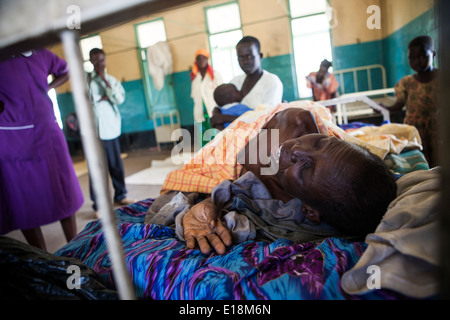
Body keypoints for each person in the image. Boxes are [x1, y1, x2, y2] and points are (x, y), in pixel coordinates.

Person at [151, 103, 397, 255]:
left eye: (306, 168)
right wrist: (206, 200)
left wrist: (203, 207)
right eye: (320, 141)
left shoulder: (275, 204)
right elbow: (239, 150)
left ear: (309, 212)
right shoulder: (297, 122)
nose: (297, 149)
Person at [0, 49, 84, 251]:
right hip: (9, 134)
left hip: (45, 129)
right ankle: (41, 254)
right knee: (22, 196)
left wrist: (45, 87)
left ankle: (74, 249)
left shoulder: (41, 54)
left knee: (61, 189)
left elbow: (66, 70)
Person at [88, 48, 135, 213]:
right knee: (97, 168)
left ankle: (120, 195)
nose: (99, 64)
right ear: (90, 61)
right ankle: (98, 205)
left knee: (116, 165)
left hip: (110, 129)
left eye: (101, 60)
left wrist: (104, 83)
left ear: (105, 61)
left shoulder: (111, 80)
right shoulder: (87, 82)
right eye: (95, 60)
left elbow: (119, 98)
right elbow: (88, 101)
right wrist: (103, 97)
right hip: (93, 132)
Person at [380, 36, 439, 168]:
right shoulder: (407, 83)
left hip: (438, 130)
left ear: (433, 54)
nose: (417, 61)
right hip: (414, 131)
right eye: (412, 58)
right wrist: (384, 108)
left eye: (422, 56)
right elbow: (399, 105)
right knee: (419, 163)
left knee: (440, 162)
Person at [210, 36, 283, 130]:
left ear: (260, 56)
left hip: (261, 136)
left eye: (249, 56)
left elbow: (266, 118)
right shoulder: (235, 81)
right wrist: (217, 117)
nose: (245, 62)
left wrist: (226, 118)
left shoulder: (271, 81)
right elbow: (219, 106)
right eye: (241, 58)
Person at [190, 49, 223, 148]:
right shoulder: (195, 77)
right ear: (196, 62)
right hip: (200, 111)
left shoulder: (215, 75)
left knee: (215, 137)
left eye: (203, 58)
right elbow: (193, 95)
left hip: (212, 109)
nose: (201, 61)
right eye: (198, 59)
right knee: (201, 138)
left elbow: (221, 92)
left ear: (207, 59)